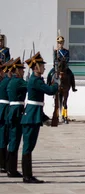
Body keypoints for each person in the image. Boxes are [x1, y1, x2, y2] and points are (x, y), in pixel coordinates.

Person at [21, 52, 59, 183]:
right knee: (28, 147)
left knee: (30, 146)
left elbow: (38, 103)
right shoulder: (35, 81)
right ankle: (27, 176)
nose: (43, 68)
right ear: (36, 67)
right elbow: (50, 91)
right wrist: (56, 84)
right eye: (41, 66)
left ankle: (28, 175)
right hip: (31, 116)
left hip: (34, 114)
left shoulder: (37, 80)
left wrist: (44, 118)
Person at [6, 57, 27, 178]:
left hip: (12, 110)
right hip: (17, 112)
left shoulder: (11, 81)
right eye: (21, 70)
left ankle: (10, 168)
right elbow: (29, 86)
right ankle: (11, 169)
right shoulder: (18, 81)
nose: (23, 71)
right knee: (14, 140)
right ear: (17, 71)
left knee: (13, 140)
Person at [0, 59, 14, 173]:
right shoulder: (7, 81)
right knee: (4, 137)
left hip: (3, 109)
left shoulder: (5, 80)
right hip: (4, 110)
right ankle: (3, 164)